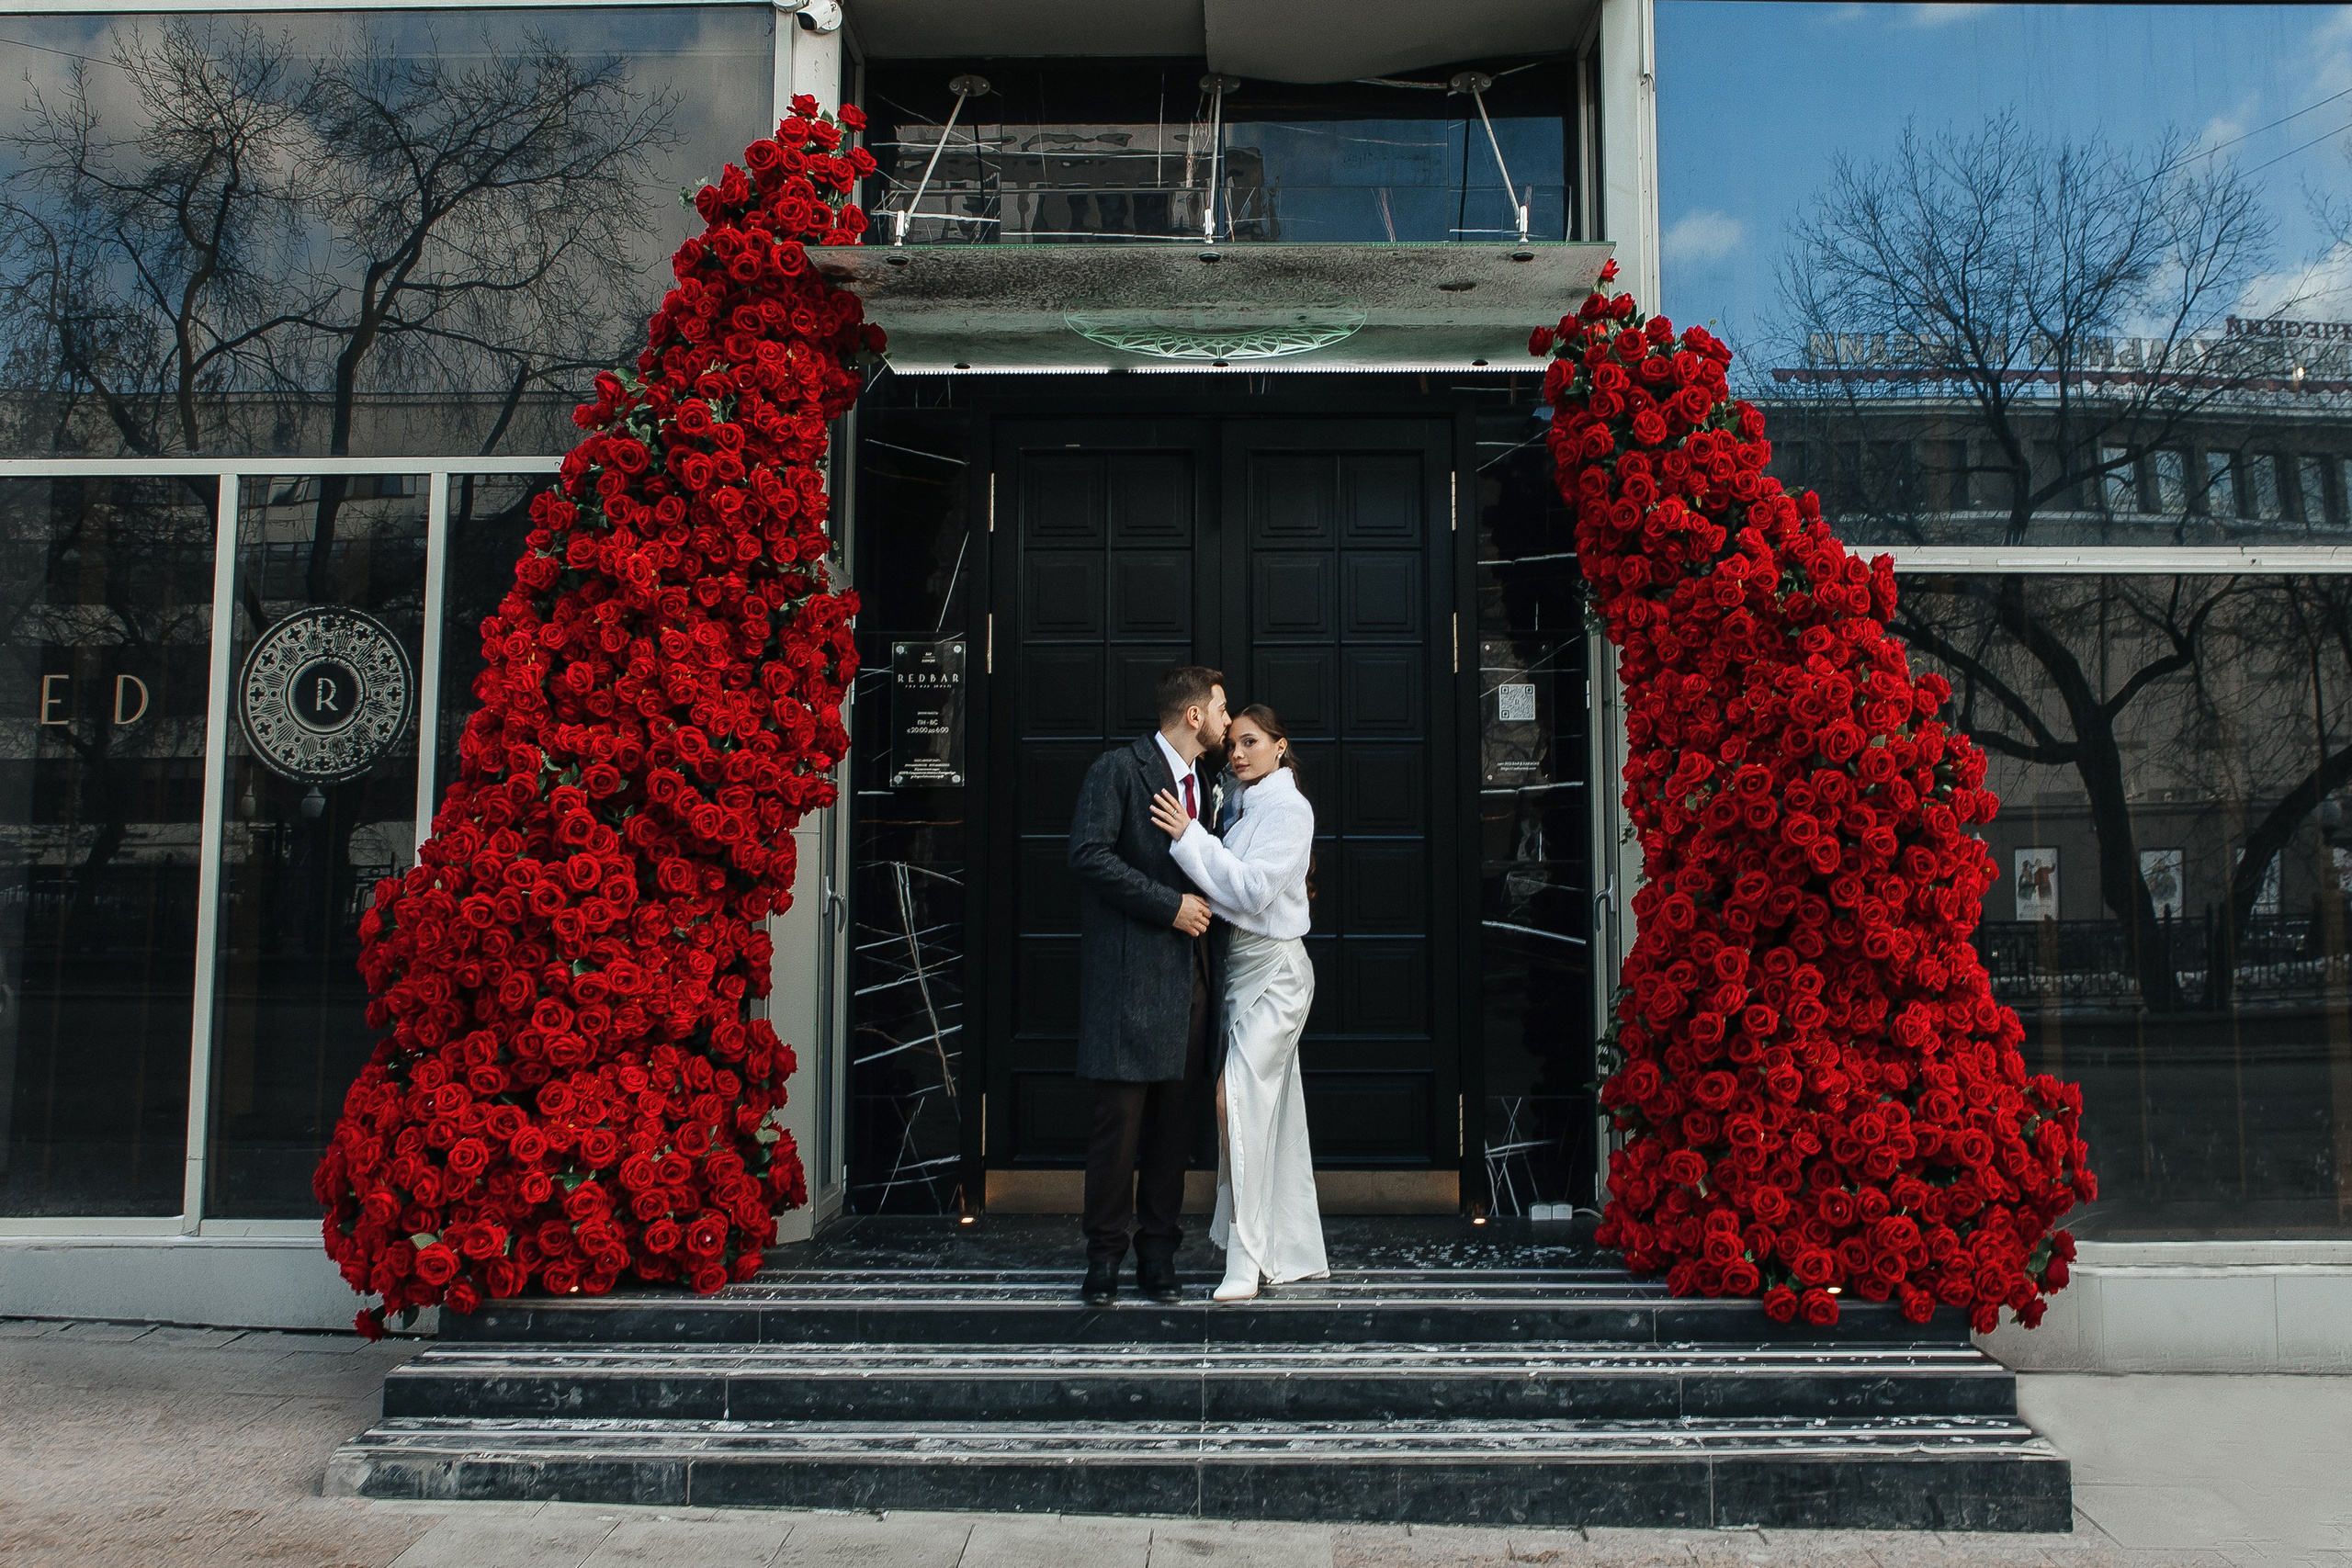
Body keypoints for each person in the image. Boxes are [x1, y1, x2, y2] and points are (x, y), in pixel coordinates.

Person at [1148, 703, 1326, 1301]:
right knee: (1268, 1112)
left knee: (1237, 1102)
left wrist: (1189, 837)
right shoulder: (1246, 805)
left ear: (1280, 746)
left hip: (1277, 976)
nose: (1239, 753)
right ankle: (1285, 1248)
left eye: (1251, 742)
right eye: (1234, 745)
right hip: (1239, 972)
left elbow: (1249, 891)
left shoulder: (1290, 810)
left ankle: (1246, 1259)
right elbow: (1225, 886)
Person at [1066, 666, 1229, 1306]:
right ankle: (1103, 1257)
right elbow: (1088, 854)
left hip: (1193, 983)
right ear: (1193, 715)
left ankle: (1158, 1255)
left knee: (1174, 1131)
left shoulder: (1209, 784)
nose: (1227, 722)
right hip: (1130, 985)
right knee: (1119, 1129)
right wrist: (1170, 906)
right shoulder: (1118, 769)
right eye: (1220, 709)